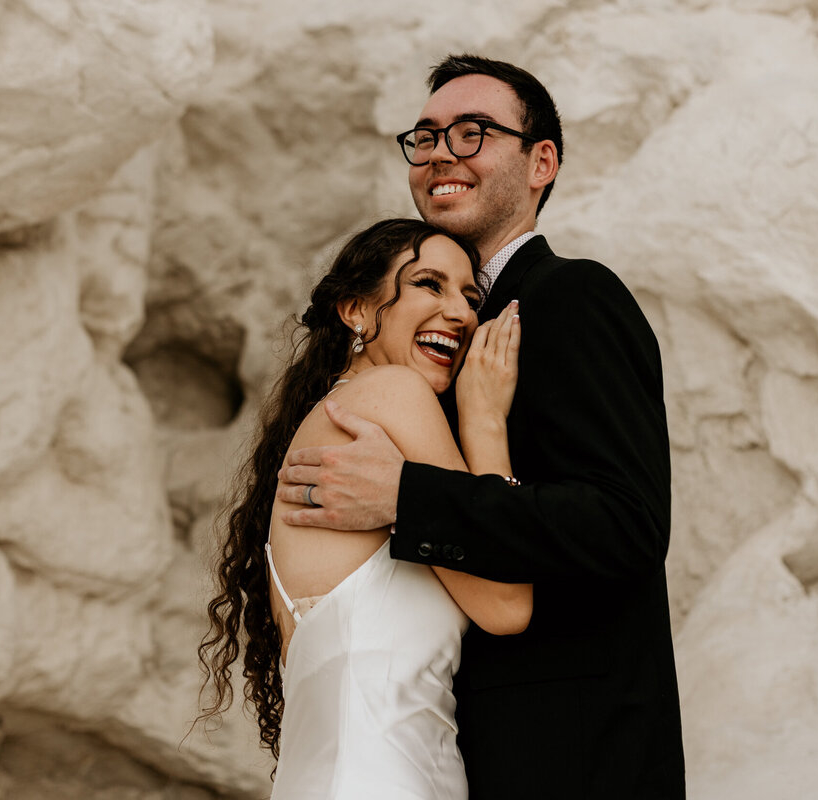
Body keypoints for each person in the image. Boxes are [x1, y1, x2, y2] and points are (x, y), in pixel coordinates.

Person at [277, 55, 685, 798]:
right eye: (426, 137)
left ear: (541, 161)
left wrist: (410, 498)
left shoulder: (570, 298)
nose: (441, 154)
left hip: (573, 756)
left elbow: (626, 522)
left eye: (472, 133)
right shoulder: (432, 352)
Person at [198, 218, 531, 799]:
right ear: (355, 311)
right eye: (429, 283)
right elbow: (505, 604)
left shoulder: (335, 415)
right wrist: (484, 420)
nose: (459, 312)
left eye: (470, 295)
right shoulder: (390, 395)